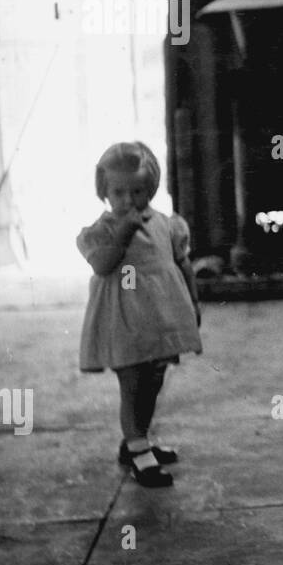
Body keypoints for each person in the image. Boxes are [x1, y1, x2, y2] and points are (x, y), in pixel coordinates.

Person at [76, 141, 202, 489]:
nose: (129, 200)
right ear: (104, 191)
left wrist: (193, 303)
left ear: (152, 188)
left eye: (138, 191)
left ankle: (136, 441)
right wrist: (124, 231)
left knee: (153, 381)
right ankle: (139, 451)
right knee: (132, 384)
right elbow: (102, 265)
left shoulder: (167, 225)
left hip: (160, 319)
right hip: (122, 322)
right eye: (119, 192)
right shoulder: (100, 232)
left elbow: (182, 264)